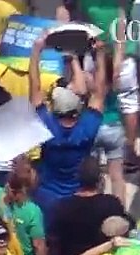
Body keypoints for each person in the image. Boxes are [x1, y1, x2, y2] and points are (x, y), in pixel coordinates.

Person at [28, 31, 106, 218]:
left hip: (46, 197)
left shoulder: (46, 126)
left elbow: (34, 88)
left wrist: (36, 51)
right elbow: (99, 92)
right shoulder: (87, 128)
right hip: (77, 198)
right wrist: (100, 55)